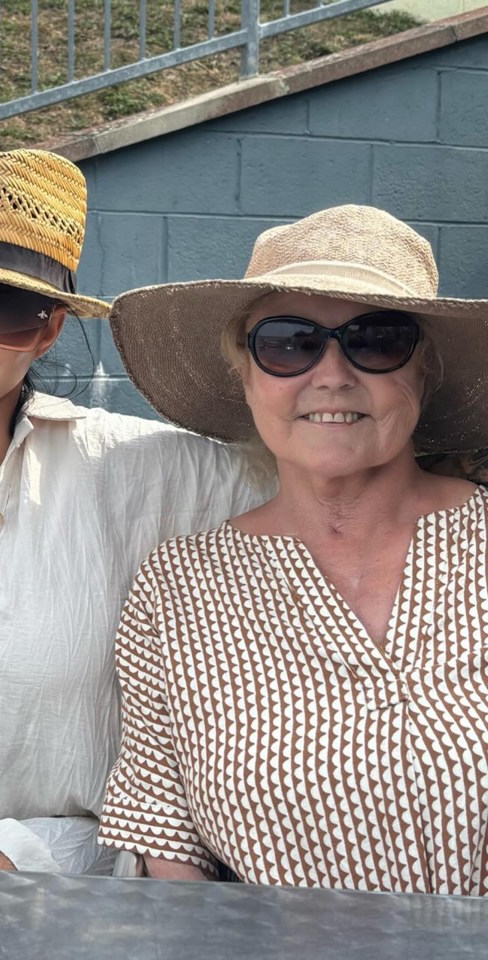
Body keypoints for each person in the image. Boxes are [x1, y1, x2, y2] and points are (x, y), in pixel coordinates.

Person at [0, 127, 267, 874]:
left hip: (67, 903)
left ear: (51, 329)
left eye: (10, 310)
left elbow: (327, 479)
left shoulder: (137, 470)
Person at [99, 204, 488, 894]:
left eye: (378, 339)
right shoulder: (179, 590)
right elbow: (165, 842)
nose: (333, 374)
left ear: (423, 372)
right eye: (288, 343)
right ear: (245, 377)